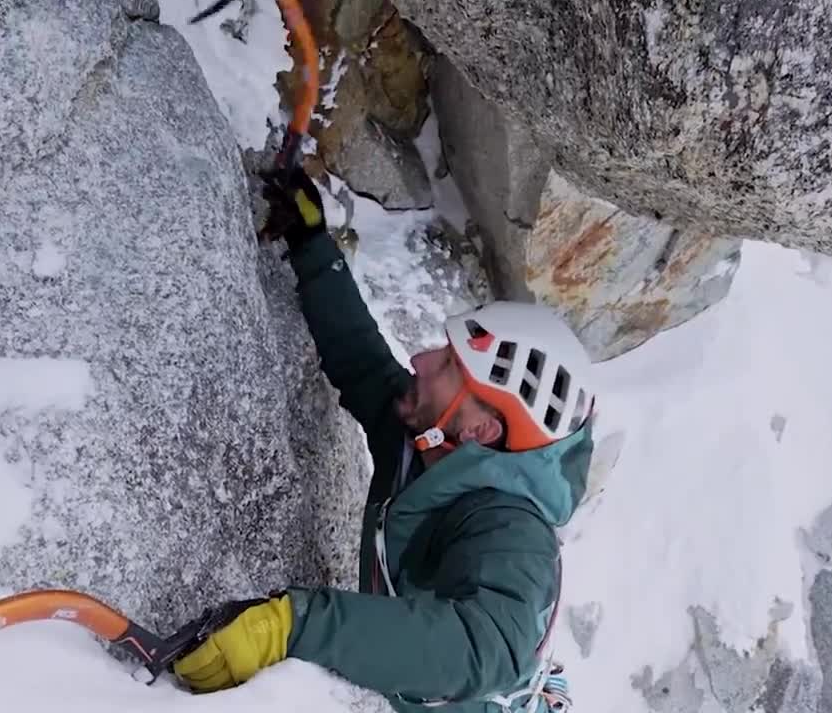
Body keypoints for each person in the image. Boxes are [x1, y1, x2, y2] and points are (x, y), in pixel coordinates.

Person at [171, 167, 597, 712]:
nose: (419, 360)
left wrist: (297, 625)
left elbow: (482, 649)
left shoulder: (513, 531)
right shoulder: (431, 440)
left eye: (446, 365)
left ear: (481, 429)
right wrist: (312, 247)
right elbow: (366, 365)